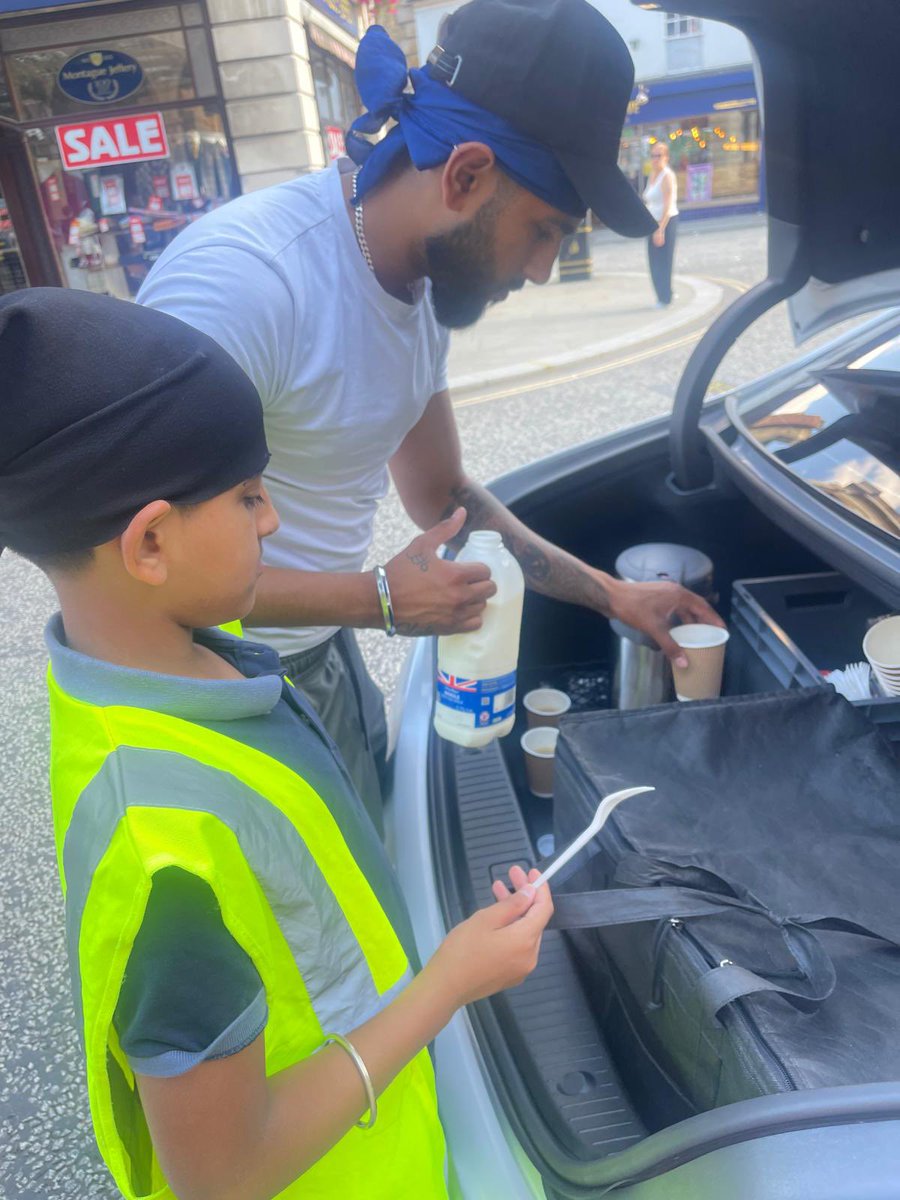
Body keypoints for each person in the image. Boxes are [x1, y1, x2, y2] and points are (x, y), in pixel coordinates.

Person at [0, 287, 553, 1200]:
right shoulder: (162, 857)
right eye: (250, 496)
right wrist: (448, 982)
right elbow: (222, 1174)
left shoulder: (183, 668)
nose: (272, 522)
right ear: (148, 545)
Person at [139, 0, 720, 825]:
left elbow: (442, 495)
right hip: (208, 696)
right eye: (543, 231)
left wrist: (612, 596)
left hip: (319, 656)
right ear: (465, 175)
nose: (546, 270)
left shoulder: (415, 287)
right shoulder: (245, 288)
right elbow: (156, 576)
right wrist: (378, 598)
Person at [643, 142, 679, 307]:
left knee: (663, 261)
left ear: (666, 157)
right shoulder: (652, 175)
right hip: (651, 223)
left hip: (665, 222)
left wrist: (660, 229)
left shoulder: (667, 176)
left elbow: (667, 204)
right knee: (653, 261)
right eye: (653, 156)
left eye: (659, 156)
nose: (655, 159)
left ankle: (665, 297)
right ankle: (661, 294)